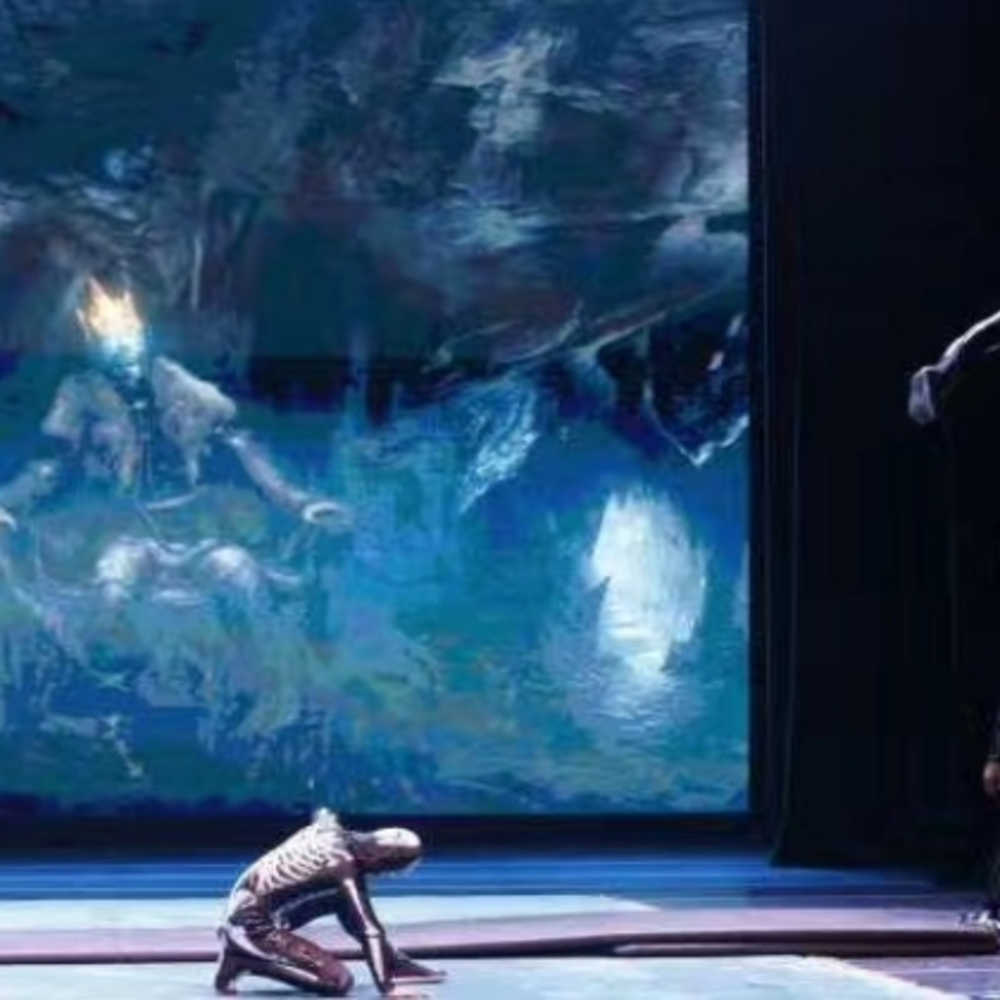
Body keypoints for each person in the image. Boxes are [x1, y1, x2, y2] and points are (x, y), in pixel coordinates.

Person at [215, 809, 446, 996]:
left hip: (252, 909)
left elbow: (323, 814)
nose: (383, 875)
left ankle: (393, 963)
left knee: (341, 900)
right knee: (339, 982)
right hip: (250, 926)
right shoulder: (343, 868)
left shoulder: (332, 830)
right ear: (379, 860)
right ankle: (243, 960)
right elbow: (370, 930)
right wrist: (387, 989)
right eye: (389, 870)